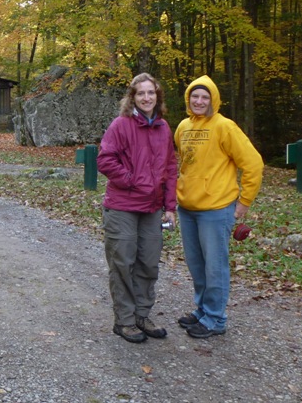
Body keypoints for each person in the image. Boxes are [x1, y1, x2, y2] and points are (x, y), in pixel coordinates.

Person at [174, 75, 264, 339]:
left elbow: (253, 164)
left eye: (205, 97)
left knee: (215, 266)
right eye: (195, 96)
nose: (199, 101)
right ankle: (202, 309)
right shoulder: (182, 127)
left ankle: (216, 318)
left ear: (213, 99)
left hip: (216, 209)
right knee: (197, 264)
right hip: (187, 208)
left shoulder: (225, 126)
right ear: (188, 98)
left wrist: (244, 203)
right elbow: (184, 164)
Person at [97, 73, 177, 343]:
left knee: (149, 263)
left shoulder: (164, 128)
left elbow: (170, 168)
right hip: (122, 206)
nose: (146, 97)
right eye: (141, 93)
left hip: (153, 208)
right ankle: (125, 321)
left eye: (151, 93)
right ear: (132, 97)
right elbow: (105, 160)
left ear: (158, 96)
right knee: (123, 263)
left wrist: (170, 206)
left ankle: (142, 315)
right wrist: (133, 181)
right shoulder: (121, 125)